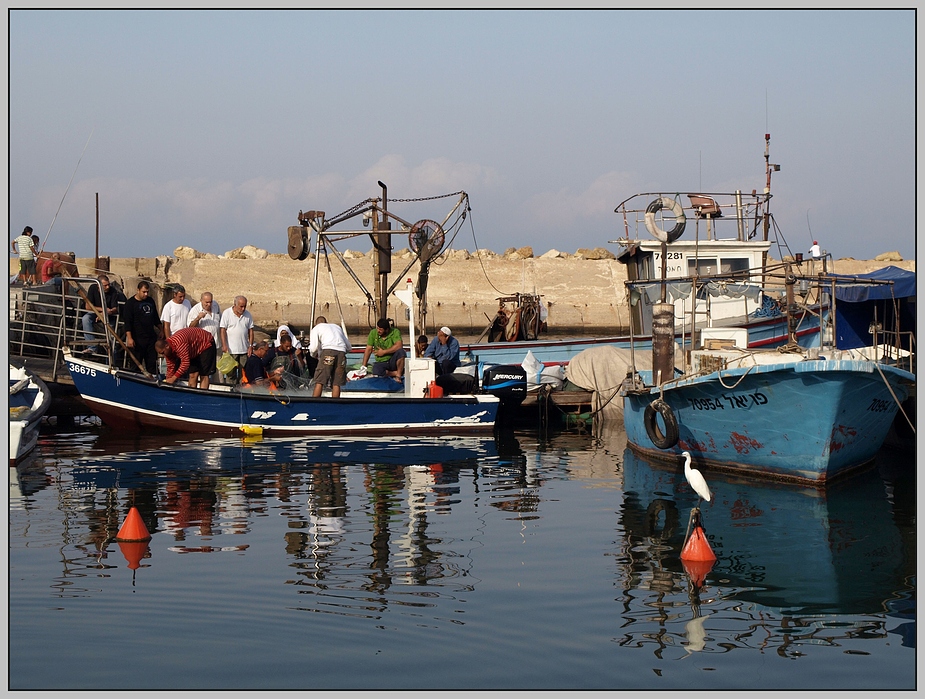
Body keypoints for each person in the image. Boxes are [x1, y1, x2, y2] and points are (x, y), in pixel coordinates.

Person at [122, 280, 161, 375]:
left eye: (147, 292)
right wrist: (129, 338)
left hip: (150, 338)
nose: (146, 294)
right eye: (144, 292)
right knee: (136, 365)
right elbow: (127, 323)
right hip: (137, 339)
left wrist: (161, 330)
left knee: (152, 364)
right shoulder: (130, 304)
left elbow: (155, 318)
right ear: (138, 290)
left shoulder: (150, 301)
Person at [81, 274, 126, 356]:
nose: (108, 287)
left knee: (111, 332)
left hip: (109, 315)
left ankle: (112, 355)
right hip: (95, 312)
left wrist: (105, 313)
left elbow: (114, 309)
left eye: (108, 284)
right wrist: (103, 310)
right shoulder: (92, 288)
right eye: (105, 285)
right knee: (85, 319)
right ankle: (92, 347)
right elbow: (87, 306)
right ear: (98, 286)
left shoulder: (113, 291)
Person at [308, 316, 352, 397]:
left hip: (328, 352)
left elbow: (313, 348)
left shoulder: (316, 328)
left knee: (320, 380)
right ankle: (335, 404)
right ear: (326, 322)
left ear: (316, 324)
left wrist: (313, 356)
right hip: (341, 352)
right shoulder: (337, 327)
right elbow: (349, 347)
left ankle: (314, 403)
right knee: (336, 382)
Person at [219, 295, 254, 381]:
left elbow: (251, 331)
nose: (243, 309)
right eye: (241, 306)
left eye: (244, 306)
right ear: (235, 304)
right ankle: (230, 390)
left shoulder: (248, 315)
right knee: (231, 374)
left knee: (243, 374)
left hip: (243, 350)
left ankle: (241, 391)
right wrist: (224, 345)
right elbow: (223, 330)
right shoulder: (227, 313)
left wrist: (250, 345)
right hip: (231, 350)